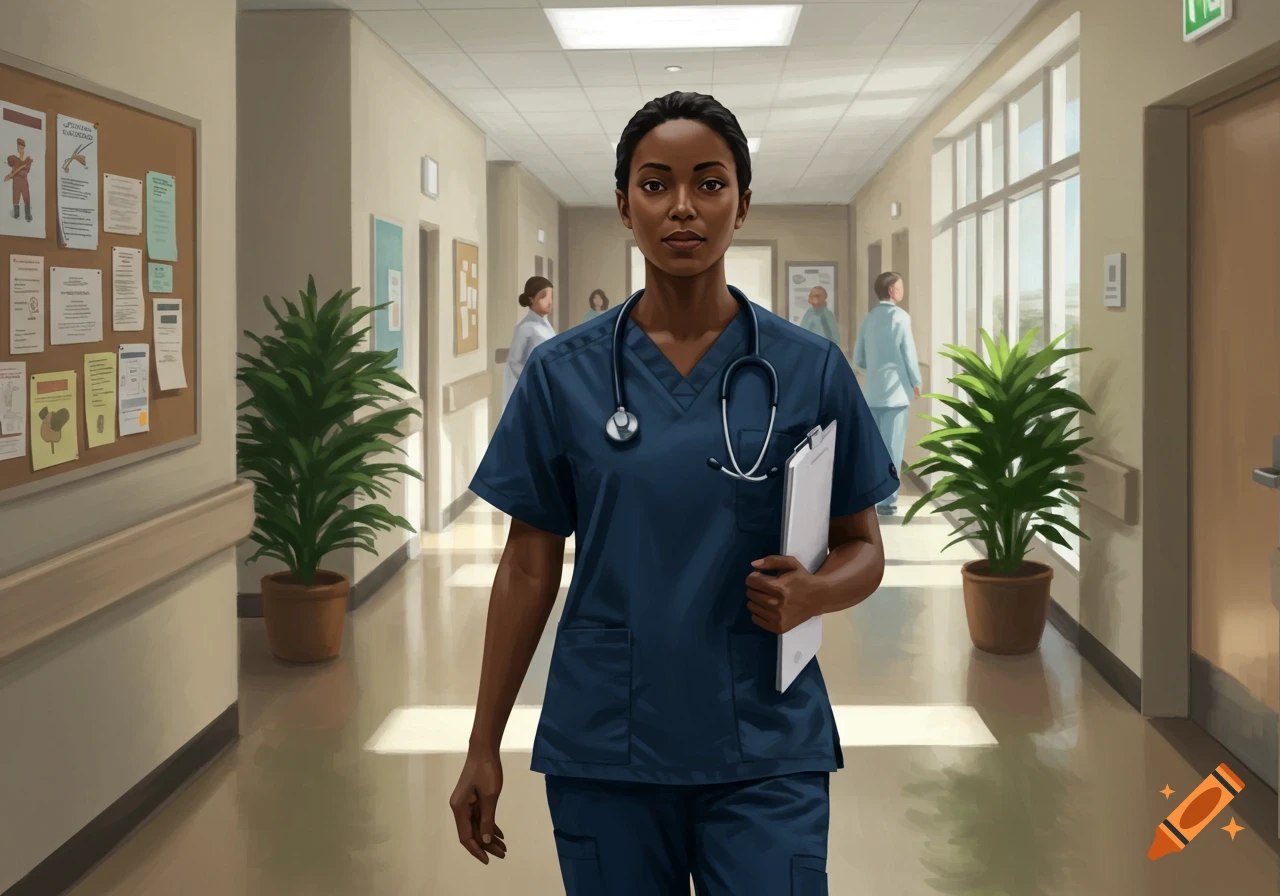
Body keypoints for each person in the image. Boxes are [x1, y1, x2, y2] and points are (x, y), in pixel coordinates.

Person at [450, 90, 898, 895]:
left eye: (710, 183)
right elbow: (525, 567)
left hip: (766, 740)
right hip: (608, 743)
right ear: (625, 206)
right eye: (656, 184)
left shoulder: (809, 370)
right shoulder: (562, 375)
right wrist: (483, 741)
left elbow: (863, 545)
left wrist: (817, 591)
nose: (683, 206)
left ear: (742, 203)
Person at [852, 271, 922, 516]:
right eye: (900, 287)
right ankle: (887, 501)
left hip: (872, 393)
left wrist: (874, 373)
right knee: (893, 449)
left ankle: (873, 496)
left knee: (875, 448)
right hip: (896, 394)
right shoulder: (901, 318)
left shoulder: (869, 319)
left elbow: (859, 358)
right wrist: (915, 381)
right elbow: (909, 354)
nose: (902, 291)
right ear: (892, 290)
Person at [500, 276, 555, 412]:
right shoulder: (525, 327)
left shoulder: (546, 326)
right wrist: (534, 379)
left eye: (551, 297)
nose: (549, 302)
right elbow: (513, 362)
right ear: (531, 299)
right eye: (544, 297)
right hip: (531, 387)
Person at [5, 137, 34, 223]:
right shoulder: (14, 159)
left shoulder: (27, 159)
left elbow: (26, 171)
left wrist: (16, 172)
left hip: (23, 181)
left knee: (26, 197)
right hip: (16, 181)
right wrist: (13, 174)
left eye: (21, 146)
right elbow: (13, 170)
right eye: (18, 146)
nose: (19, 148)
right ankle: (16, 215)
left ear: (23, 147)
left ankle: (28, 216)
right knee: (15, 197)